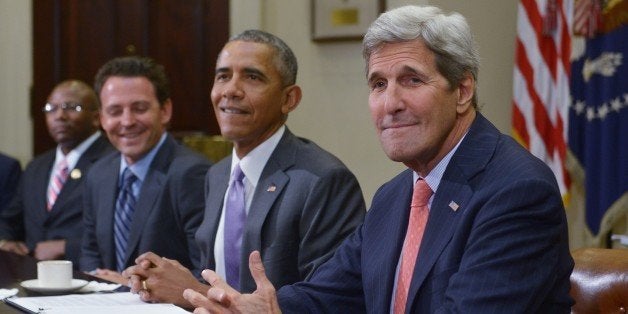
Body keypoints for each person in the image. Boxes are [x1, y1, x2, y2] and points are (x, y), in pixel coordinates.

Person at [182, 5, 574, 313]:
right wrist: (266, 307)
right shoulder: (395, 195)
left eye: (412, 80)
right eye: (378, 84)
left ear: (462, 90)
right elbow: (331, 294)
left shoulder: (517, 191)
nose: (390, 104)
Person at [122, 29, 366, 308]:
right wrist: (161, 279)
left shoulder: (323, 180)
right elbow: (219, 278)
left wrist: (193, 291)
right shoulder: (217, 175)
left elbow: (329, 298)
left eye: (252, 77)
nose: (230, 91)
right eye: (223, 76)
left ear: (289, 99)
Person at [80, 56, 212, 284]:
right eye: (115, 111)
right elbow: (90, 254)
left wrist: (131, 285)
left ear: (165, 111)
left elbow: (205, 272)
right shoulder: (98, 173)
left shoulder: (191, 173)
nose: (127, 121)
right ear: (102, 118)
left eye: (139, 108)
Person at [0, 80, 112, 265]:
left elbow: (121, 233)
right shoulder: (36, 166)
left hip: (89, 278)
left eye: (71, 107)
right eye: (51, 108)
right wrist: (6, 242)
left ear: (96, 117)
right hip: (33, 278)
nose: (59, 115)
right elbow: (10, 219)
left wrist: (66, 247)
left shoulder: (112, 162)